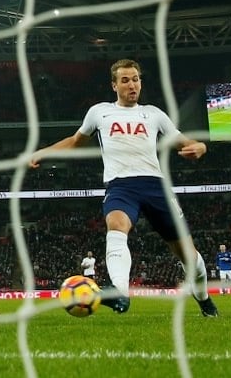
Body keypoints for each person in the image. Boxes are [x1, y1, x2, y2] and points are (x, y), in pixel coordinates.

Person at [29, 58, 218, 317]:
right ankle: (120, 292)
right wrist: (44, 152)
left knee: (190, 258)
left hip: (156, 187)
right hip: (121, 186)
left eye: (136, 79)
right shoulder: (100, 112)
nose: (132, 85)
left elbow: (184, 142)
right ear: (114, 85)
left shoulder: (153, 114)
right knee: (116, 225)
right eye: (126, 80)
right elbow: (76, 141)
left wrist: (201, 147)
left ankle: (204, 299)